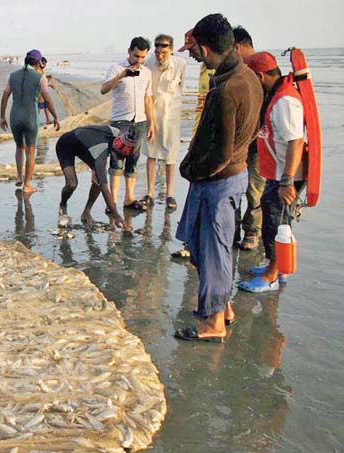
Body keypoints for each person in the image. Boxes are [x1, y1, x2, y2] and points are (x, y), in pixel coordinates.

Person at [173, 14, 263, 343]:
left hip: (219, 180)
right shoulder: (248, 77)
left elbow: (221, 152)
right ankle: (222, 307)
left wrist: (191, 171)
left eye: (195, 49)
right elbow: (249, 134)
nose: (193, 54)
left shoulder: (228, 89)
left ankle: (213, 324)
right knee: (217, 247)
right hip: (233, 177)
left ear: (208, 48)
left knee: (211, 250)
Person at [239, 52, 306, 292]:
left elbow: (296, 141)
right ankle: (277, 266)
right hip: (277, 172)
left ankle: (273, 275)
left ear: (259, 75)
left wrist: (287, 181)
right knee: (273, 219)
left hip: (285, 175)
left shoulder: (285, 101)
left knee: (277, 224)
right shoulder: (278, 95)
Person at [171, 28, 216, 260]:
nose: (190, 54)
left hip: (211, 147)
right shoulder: (202, 68)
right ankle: (191, 242)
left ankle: (201, 244)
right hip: (198, 140)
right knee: (195, 195)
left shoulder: (221, 72)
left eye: (192, 49)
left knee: (209, 199)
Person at [100, 37, 155, 211]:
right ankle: (112, 201)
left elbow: (148, 99)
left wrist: (151, 123)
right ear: (129, 51)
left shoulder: (146, 73)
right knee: (116, 159)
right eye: (136, 56)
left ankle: (129, 198)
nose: (138, 61)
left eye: (142, 57)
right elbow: (104, 89)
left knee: (134, 159)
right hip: (120, 121)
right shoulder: (116, 68)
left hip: (139, 121)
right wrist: (122, 75)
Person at [0, 49, 60, 193]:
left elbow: (5, 97)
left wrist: (2, 117)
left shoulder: (12, 76)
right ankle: (27, 185)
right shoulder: (40, 77)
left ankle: (19, 177)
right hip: (30, 117)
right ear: (38, 62)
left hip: (15, 116)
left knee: (19, 147)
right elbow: (47, 98)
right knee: (31, 150)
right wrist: (55, 116)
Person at [56, 125, 135, 231]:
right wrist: (116, 215)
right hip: (65, 145)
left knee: (98, 179)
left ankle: (86, 212)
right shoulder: (100, 154)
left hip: (85, 146)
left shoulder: (116, 132)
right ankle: (63, 205)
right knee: (72, 183)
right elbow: (105, 189)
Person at [142, 34, 186, 210]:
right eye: (158, 48)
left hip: (171, 113)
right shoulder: (148, 63)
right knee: (151, 152)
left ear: (171, 49)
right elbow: (146, 91)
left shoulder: (180, 64)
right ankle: (150, 192)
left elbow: (180, 89)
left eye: (164, 48)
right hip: (152, 111)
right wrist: (150, 119)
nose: (160, 52)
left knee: (170, 154)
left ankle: (169, 194)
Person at [232, 26, 264, 250]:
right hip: (239, 140)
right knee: (234, 187)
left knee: (254, 188)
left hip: (258, 142)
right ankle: (232, 230)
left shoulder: (262, 68)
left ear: (236, 47)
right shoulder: (238, 70)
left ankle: (252, 232)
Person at [37, 57, 52, 125]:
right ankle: (35, 120)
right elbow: (39, 82)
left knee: (46, 105)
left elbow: (43, 79)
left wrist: (46, 77)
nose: (44, 65)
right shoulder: (38, 71)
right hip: (39, 92)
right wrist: (49, 84)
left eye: (45, 64)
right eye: (43, 63)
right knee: (39, 107)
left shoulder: (42, 70)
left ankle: (48, 120)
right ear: (40, 63)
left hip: (42, 91)